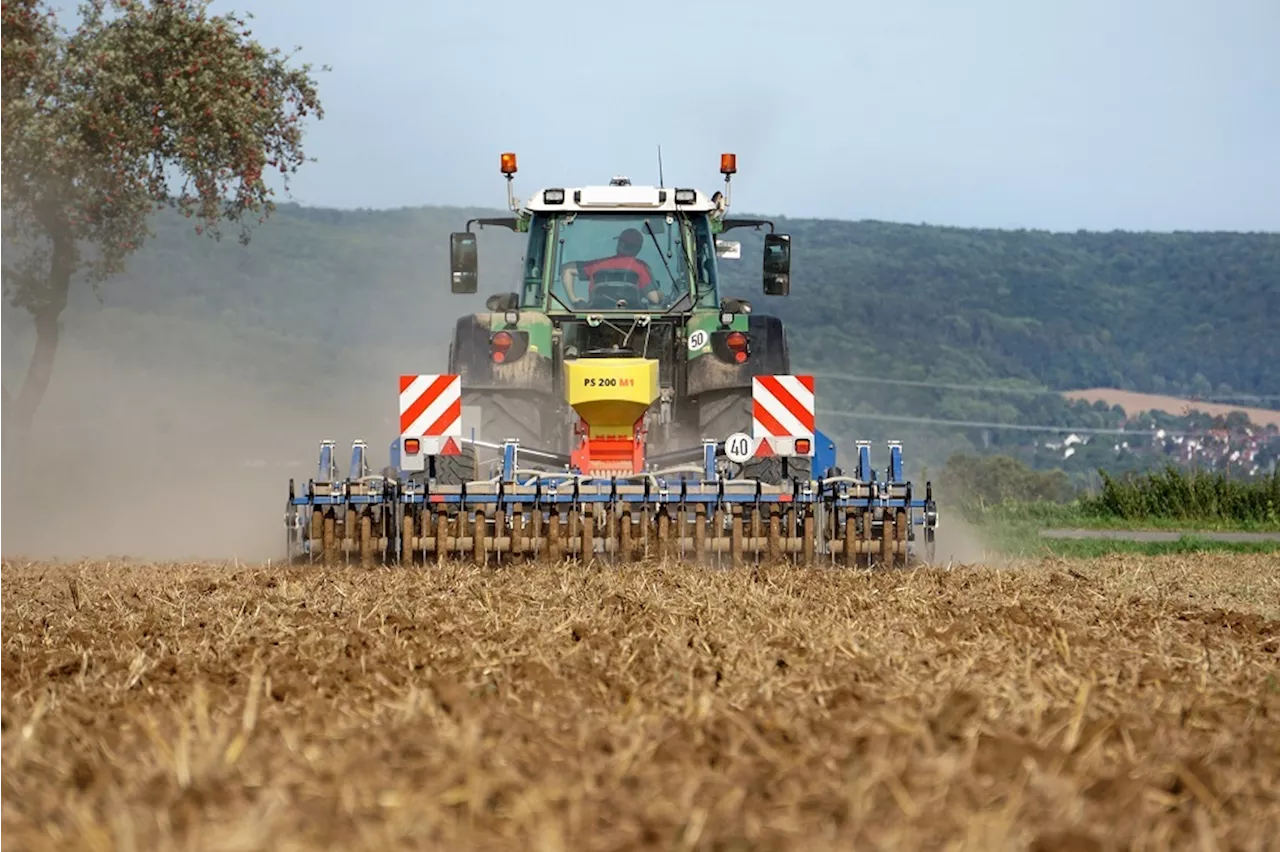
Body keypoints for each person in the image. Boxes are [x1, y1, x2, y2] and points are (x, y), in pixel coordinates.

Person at [561, 227, 662, 307]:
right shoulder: (641, 267)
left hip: (594, 318)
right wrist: (661, 295)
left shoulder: (598, 265)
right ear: (638, 249)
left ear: (620, 244)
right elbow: (654, 298)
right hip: (632, 320)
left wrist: (574, 300)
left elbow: (567, 269)